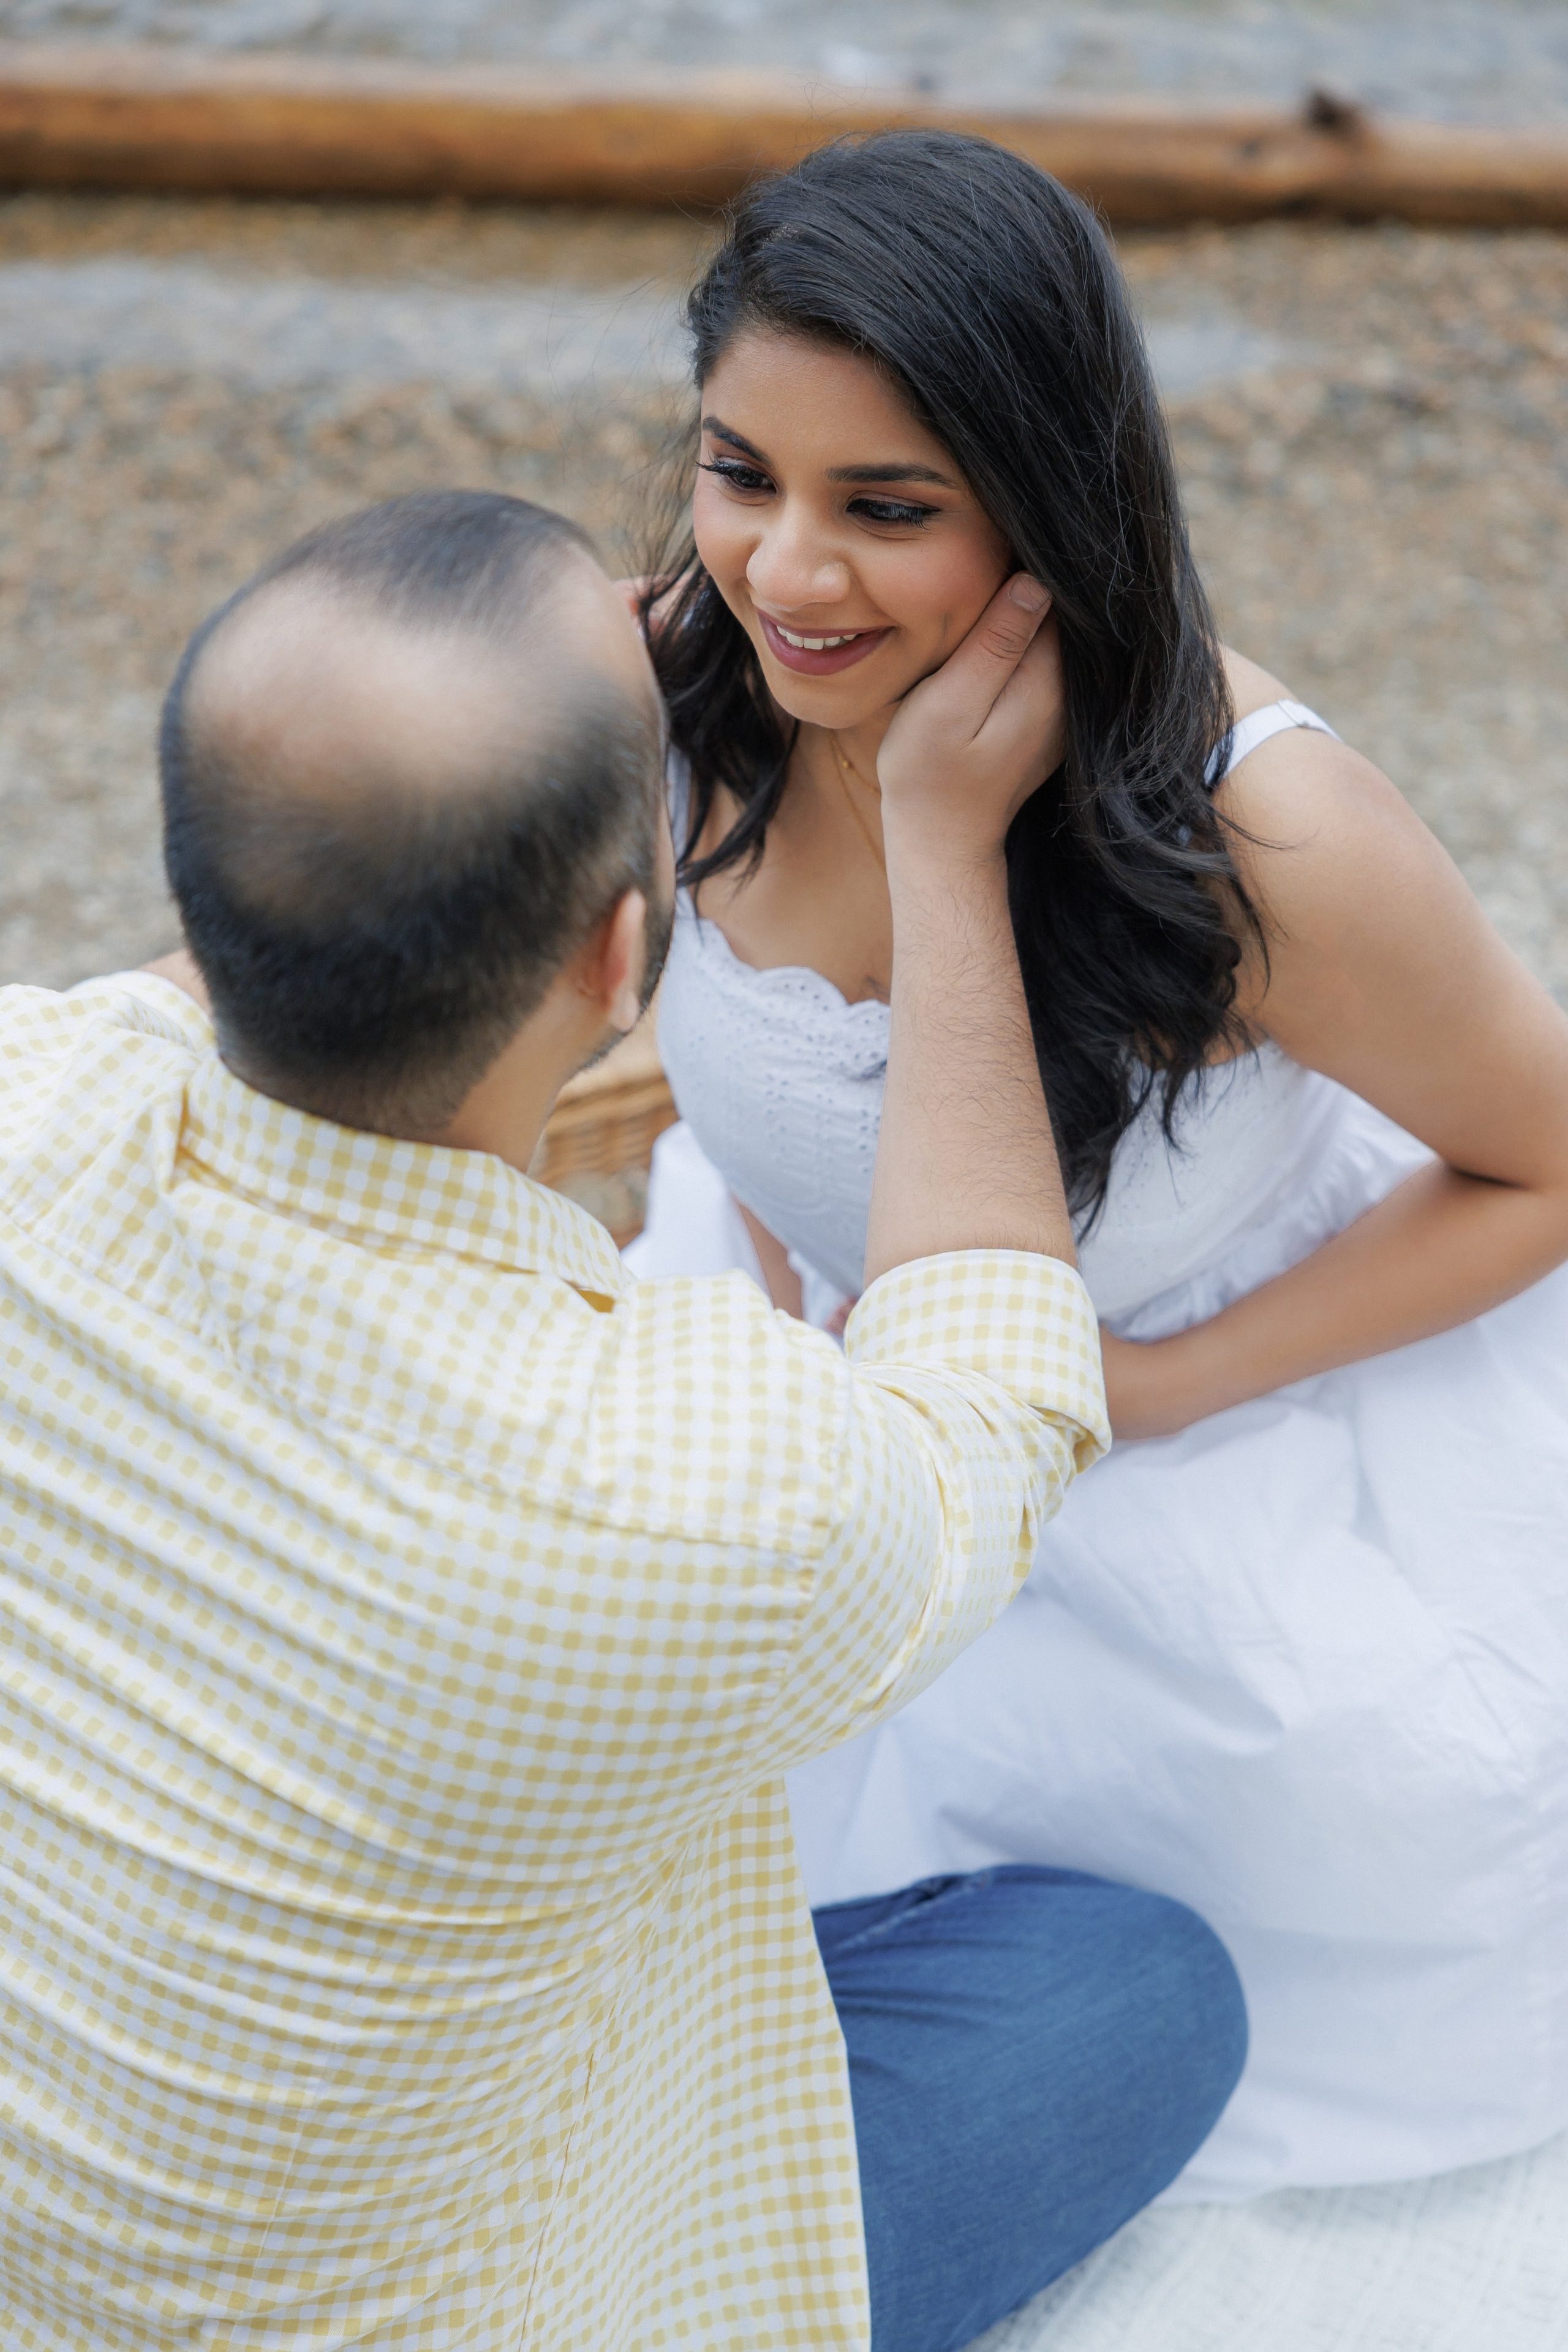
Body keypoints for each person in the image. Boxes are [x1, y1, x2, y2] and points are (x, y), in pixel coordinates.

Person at [0, 489, 1246, 2352]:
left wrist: (529, 691)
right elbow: (994, 1380)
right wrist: (945, 842)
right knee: (1146, 1987)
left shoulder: (40, 1107)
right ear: (614, 960)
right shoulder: (692, 1492)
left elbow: (270, 906)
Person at [627, 129, 1568, 2200]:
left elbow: (1551, 1163)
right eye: (741, 471)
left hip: (1198, 1408)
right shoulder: (696, 669)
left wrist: (1140, 1393)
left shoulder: (1264, 842)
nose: (787, 572)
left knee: (1327, 1848)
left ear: (1053, 504)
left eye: (889, 510)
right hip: (813, 1393)